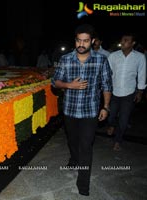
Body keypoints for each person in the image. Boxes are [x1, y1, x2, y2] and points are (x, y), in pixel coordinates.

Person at [51, 24, 112, 196]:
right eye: (79, 40)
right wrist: (70, 85)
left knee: (86, 146)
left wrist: (106, 107)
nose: (81, 44)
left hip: (90, 112)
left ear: (92, 41)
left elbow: (107, 85)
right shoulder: (66, 59)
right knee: (73, 141)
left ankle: (83, 184)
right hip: (70, 110)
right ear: (75, 40)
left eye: (85, 41)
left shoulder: (101, 60)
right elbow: (55, 82)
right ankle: (74, 158)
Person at [106, 33, 146, 151]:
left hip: (129, 93)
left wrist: (140, 92)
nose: (122, 42)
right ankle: (111, 124)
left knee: (124, 119)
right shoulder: (113, 56)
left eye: (126, 40)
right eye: (122, 40)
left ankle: (118, 140)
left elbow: (142, 74)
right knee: (111, 115)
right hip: (113, 92)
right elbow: (107, 73)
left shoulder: (139, 57)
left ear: (133, 43)